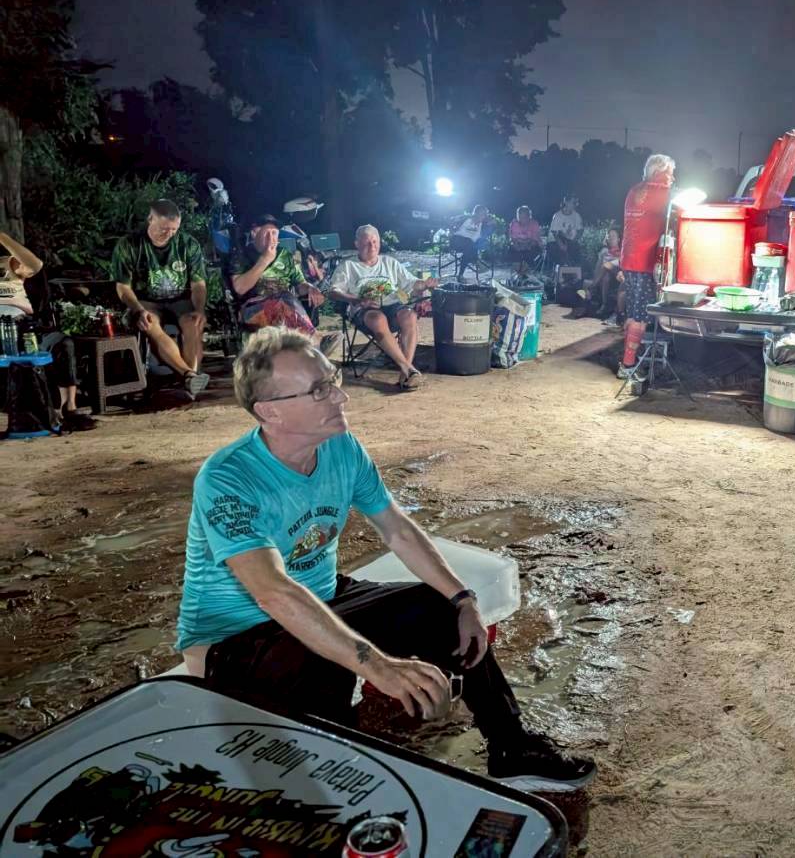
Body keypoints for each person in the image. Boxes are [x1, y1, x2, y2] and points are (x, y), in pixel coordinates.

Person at [176, 327, 596, 791]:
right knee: (323, 665)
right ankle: (333, 784)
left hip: (323, 598)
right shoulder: (228, 478)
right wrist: (376, 665)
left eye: (332, 380)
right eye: (319, 390)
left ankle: (511, 747)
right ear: (270, 411)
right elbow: (273, 592)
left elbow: (398, 529)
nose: (340, 396)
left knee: (439, 609)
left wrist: (462, 599)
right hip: (234, 639)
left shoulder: (339, 447)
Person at [110, 199, 210, 398]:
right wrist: (138, 309)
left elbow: (198, 284)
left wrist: (199, 309)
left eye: (174, 229)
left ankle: (190, 381)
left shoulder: (188, 244)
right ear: (150, 220)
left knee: (193, 323)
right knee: (150, 324)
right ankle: (189, 376)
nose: (169, 234)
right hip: (147, 301)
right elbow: (123, 286)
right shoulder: (129, 245)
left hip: (180, 299)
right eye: (164, 229)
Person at [0, 231, 95, 430]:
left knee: (63, 343)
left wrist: (2, 237)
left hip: (25, 326)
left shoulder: (9, 263)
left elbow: (35, 266)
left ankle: (69, 408)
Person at [328, 225, 435, 391]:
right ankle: (408, 370)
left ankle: (406, 371)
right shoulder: (348, 266)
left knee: (410, 315)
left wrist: (424, 284)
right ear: (357, 244)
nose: (372, 246)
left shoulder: (389, 262)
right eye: (367, 243)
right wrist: (355, 299)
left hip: (392, 305)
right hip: (364, 310)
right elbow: (333, 291)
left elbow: (411, 283)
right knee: (378, 319)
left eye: (375, 242)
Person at [230, 214, 336, 354]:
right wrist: (265, 259)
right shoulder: (241, 255)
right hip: (252, 310)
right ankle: (316, 341)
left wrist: (310, 288)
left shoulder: (284, 255)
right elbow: (239, 288)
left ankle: (309, 349)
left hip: (286, 307)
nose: (272, 238)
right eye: (267, 233)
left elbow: (299, 284)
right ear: (255, 233)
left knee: (285, 298)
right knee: (283, 299)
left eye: (275, 233)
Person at [618, 155, 675, 378]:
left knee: (633, 311)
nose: (672, 178)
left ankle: (629, 356)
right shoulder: (662, 192)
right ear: (658, 173)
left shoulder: (634, 190)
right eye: (669, 173)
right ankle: (628, 365)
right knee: (640, 316)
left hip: (629, 259)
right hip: (643, 262)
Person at [576, 227, 623, 323]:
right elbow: (598, 268)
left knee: (605, 267)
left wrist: (594, 283)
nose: (611, 238)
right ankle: (597, 306)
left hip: (618, 275)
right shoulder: (605, 251)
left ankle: (592, 288)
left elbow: (611, 265)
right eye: (609, 236)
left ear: (618, 239)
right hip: (606, 277)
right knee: (605, 278)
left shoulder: (621, 251)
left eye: (613, 236)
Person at [548, 196, 583, 269]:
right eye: (574, 202)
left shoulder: (577, 216)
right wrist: (561, 245)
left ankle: (574, 269)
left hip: (570, 242)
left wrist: (574, 240)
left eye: (576, 203)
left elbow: (580, 230)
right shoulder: (557, 215)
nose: (576, 205)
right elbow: (555, 233)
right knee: (560, 251)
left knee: (575, 249)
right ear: (566, 202)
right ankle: (563, 269)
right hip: (556, 242)